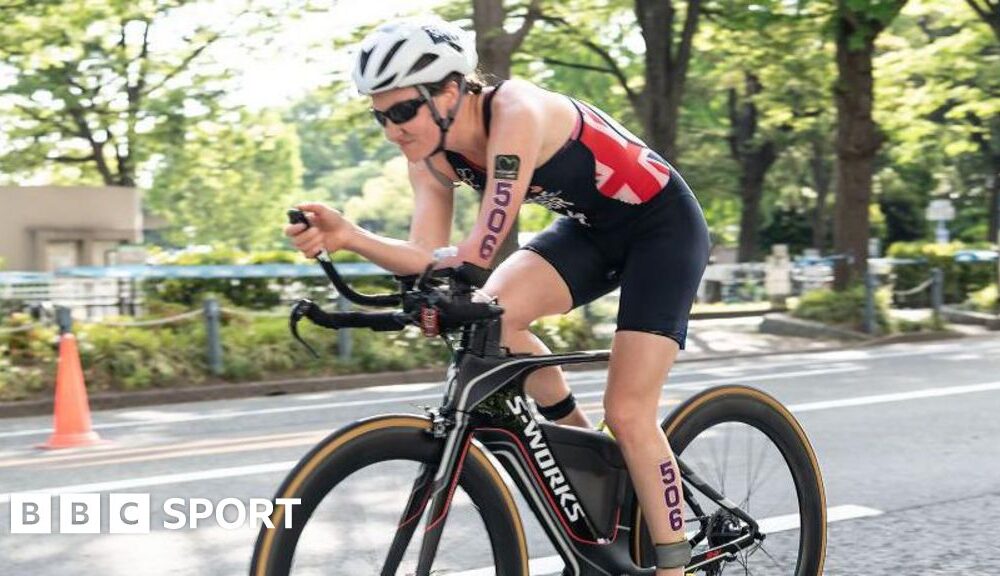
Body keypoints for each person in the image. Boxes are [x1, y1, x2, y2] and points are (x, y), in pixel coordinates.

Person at [285, 16, 710, 576]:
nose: (392, 130)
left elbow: (477, 252)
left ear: (450, 89)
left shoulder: (517, 112)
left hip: (662, 228)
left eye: (402, 111)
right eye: (380, 115)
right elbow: (428, 256)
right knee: (498, 319)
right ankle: (595, 459)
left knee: (629, 412)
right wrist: (349, 240)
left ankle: (676, 566)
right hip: (588, 231)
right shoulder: (431, 157)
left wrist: (377, 247)